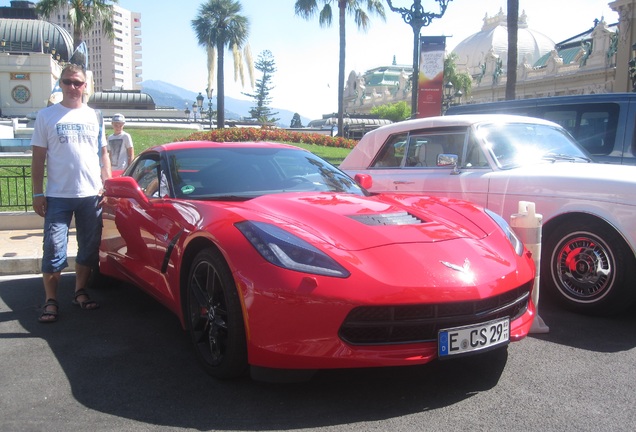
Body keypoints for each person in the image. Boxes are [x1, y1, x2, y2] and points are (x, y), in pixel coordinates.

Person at [31, 63, 112, 323]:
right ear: (61, 84)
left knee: (88, 248)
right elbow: (38, 157)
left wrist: (107, 185)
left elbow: (103, 154)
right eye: (67, 82)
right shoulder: (46, 116)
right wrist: (36, 193)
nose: (73, 87)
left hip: (91, 195)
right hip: (57, 196)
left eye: (77, 82)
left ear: (85, 85)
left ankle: (79, 291)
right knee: (54, 248)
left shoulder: (95, 116)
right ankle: (51, 300)